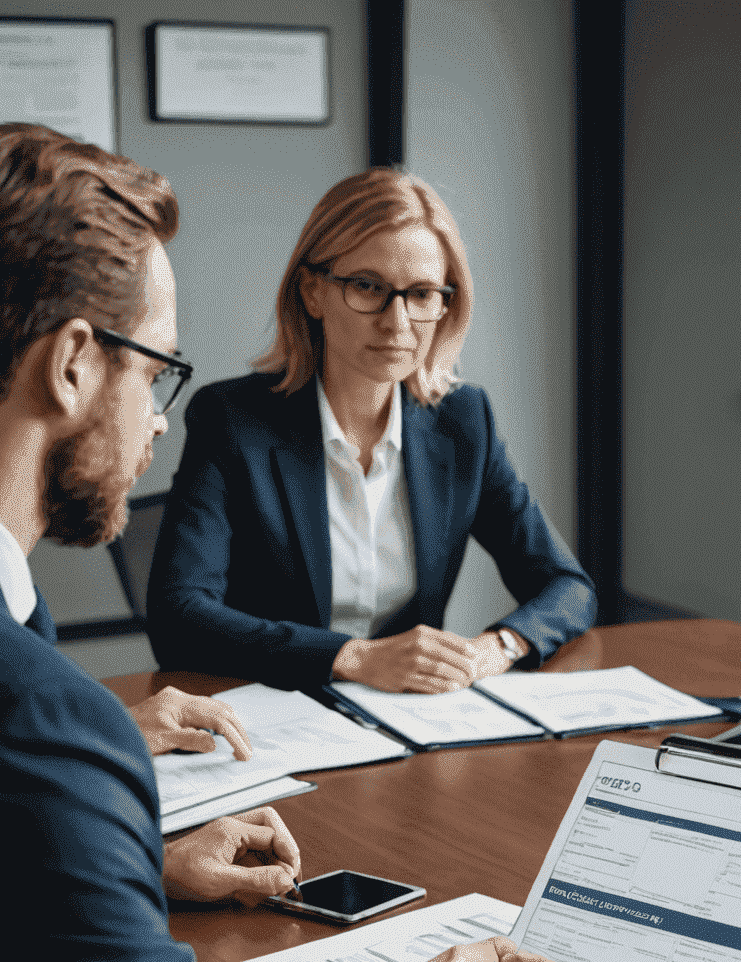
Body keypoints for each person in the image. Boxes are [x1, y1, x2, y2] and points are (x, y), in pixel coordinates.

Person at [0, 124, 713, 962]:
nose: (155, 419)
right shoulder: (35, 712)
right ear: (72, 364)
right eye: (155, 368)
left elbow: (8, 941)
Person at [145, 167, 596, 693]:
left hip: (408, 721)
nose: (398, 322)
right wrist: (352, 658)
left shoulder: (463, 422)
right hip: (271, 713)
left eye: (423, 294)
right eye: (367, 287)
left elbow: (567, 587)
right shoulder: (232, 419)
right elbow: (178, 617)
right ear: (313, 292)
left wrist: (492, 649)